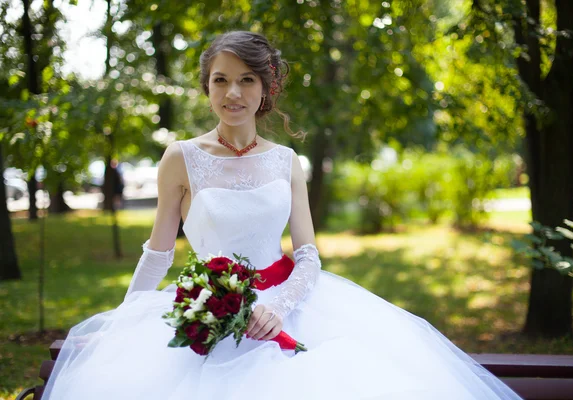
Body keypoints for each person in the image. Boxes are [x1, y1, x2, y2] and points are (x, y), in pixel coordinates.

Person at [41, 31, 522, 400]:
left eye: (246, 79)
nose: (233, 93)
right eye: (221, 80)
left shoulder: (285, 160)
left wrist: (279, 306)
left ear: (265, 87)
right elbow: (157, 254)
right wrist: (121, 327)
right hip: (207, 313)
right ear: (206, 86)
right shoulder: (180, 158)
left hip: (288, 307)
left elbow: (309, 254)